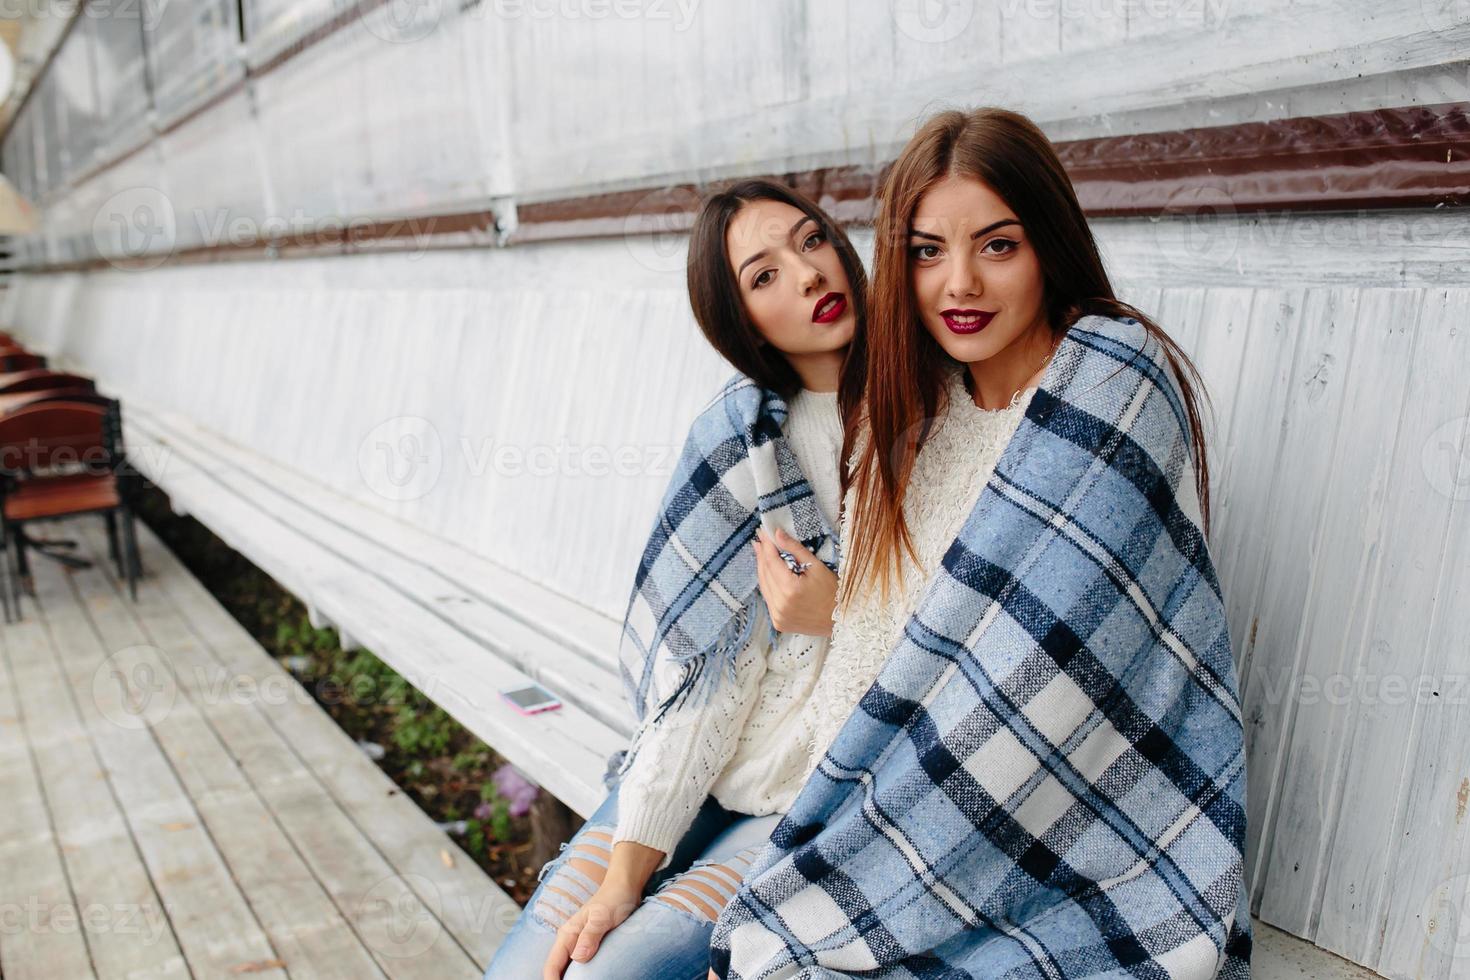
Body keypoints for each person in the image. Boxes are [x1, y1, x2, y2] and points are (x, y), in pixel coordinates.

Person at [709, 107, 1250, 978]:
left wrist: (835, 613)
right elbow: (880, 664)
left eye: (997, 246)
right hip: (877, 814)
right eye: (926, 252)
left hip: (1086, 837)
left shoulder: (1109, 383)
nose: (959, 283)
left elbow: (1040, 680)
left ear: (1049, 245)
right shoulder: (911, 416)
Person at [482, 177, 866, 979]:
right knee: (533, 969)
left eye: (811, 242)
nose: (806, 276)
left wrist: (842, 612)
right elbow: (706, 680)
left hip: (821, 795)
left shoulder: (926, 414)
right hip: (710, 763)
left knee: (612, 974)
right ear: (741, 320)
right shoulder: (743, 443)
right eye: (763, 277)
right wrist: (623, 879)